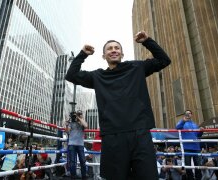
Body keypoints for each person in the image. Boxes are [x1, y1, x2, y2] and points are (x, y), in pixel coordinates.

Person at [65, 30, 171, 180]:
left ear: (122, 54)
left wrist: (148, 41)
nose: (113, 50)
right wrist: (82, 54)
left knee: (148, 176)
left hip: (140, 133)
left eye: (117, 48)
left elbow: (164, 60)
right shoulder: (97, 76)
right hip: (112, 136)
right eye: (109, 48)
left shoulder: (137, 67)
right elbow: (71, 75)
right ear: (104, 56)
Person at [176, 109, 203, 180]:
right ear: (184, 114)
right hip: (186, 147)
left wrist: (201, 131)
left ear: (191, 115)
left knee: (198, 165)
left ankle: (198, 178)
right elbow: (177, 127)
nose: (188, 114)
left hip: (196, 147)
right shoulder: (181, 122)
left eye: (190, 113)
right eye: (187, 113)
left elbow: (198, 135)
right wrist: (183, 121)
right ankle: (190, 178)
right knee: (187, 166)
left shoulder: (195, 124)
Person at [66, 110, 88, 179]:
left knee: (82, 161)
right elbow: (67, 132)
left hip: (80, 144)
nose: (77, 116)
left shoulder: (82, 123)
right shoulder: (71, 123)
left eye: (79, 114)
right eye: (77, 115)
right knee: (72, 162)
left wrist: (79, 118)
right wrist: (67, 125)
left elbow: (86, 125)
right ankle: (73, 176)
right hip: (72, 144)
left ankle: (84, 176)